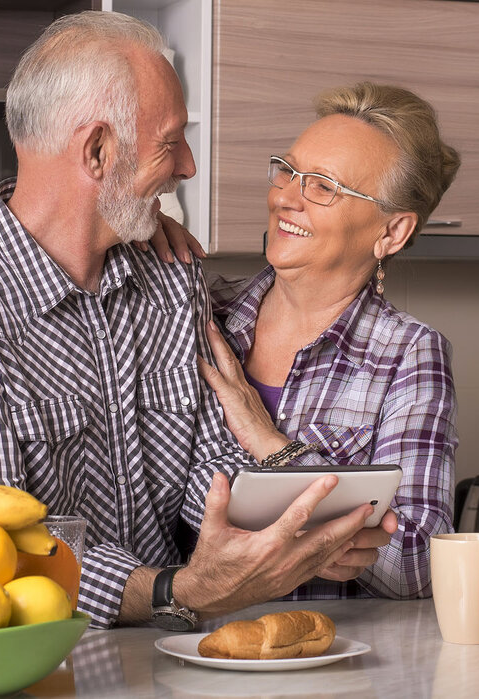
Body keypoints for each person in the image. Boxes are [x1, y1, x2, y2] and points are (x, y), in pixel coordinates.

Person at [0, 11, 392, 630]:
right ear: (98, 151)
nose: (187, 165)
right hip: (48, 656)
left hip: (182, 653)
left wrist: (303, 530)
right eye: (170, 142)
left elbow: (215, 473)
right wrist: (175, 590)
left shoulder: (169, 274)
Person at [196, 82, 461, 599]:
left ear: (392, 232)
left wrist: (272, 447)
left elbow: (419, 563)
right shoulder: (202, 314)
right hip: (185, 645)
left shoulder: (408, 354)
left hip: (323, 661)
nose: (286, 197)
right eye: (288, 171)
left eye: (323, 186)